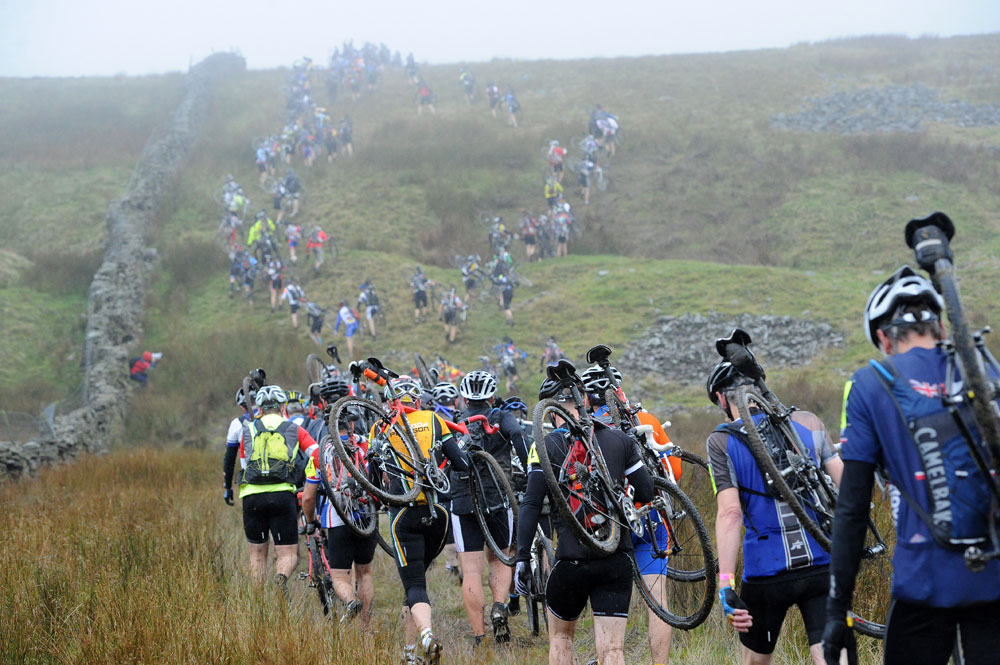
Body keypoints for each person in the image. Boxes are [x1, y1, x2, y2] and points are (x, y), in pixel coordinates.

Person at [822, 265, 1000, 665]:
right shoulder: (987, 370)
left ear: (884, 338)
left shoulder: (870, 383)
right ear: (941, 327)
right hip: (993, 578)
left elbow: (852, 508)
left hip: (923, 583)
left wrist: (836, 610)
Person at [705, 354, 844, 665]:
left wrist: (726, 581)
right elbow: (846, 489)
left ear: (721, 399)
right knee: (830, 653)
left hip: (766, 571)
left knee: (756, 659)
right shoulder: (808, 422)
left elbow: (730, 514)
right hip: (822, 559)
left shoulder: (721, 442)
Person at [515, 378, 654, 665]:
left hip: (571, 557)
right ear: (586, 401)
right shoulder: (619, 439)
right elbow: (646, 491)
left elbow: (531, 504)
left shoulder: (545, 445)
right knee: (613, 649)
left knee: (561, 638)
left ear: (550, 411)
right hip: (615, 556)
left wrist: (521, 558)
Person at [379, 376, 469, 665]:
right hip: (437, 514)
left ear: (391, 402)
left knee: (414, 584)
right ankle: (409, 653)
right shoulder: (434, 419)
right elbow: (461, 463)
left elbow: (372, 477)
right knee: (416, 584)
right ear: (418, 400)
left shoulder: (381, 427)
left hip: (403, 515)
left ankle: (427, 638)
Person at [451, 371, 530, 646]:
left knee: (471, 570)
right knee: (500, 558)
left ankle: (479, 636)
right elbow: (518, 436)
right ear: (492, 397)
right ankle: (499, 606)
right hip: (497, 496)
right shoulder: (501, 416)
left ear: (464, 399)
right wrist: (530, 470)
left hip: (463, 499)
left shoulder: (454, 421)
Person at [224, 384, 320, 587]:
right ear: (283, 406)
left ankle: (260, 602)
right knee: (288, 553)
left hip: (252, 496)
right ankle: (280, 579)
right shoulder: (294, 429)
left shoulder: (248, 430)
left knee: (257, 555)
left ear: (259, 408)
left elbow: (245, 465)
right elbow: (317, 453)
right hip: (282, 495)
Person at [301, 406, 376, 625]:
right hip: (366, 515)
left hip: (337, 517)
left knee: (340, 576)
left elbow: (308, 497)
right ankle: (365, 629)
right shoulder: (366, 445)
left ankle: (350, 601)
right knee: (364, 573)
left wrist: (311, 521)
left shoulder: (320, 453)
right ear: (352, 424)